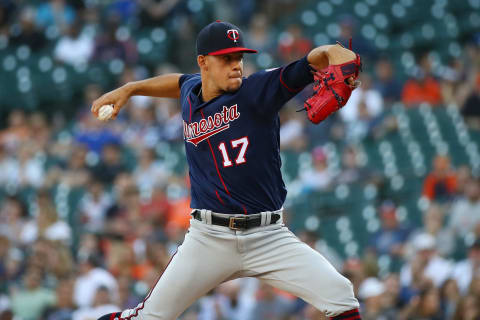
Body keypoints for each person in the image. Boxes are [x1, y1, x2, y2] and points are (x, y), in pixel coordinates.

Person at [92, 21, 361, 320]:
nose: (236, 66)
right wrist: (131, 89)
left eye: (239, 58)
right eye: (226, 58)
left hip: (268, 237)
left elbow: (311, 62)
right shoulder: (192, 91)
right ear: (203, 62)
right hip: (208, 238)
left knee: (341, 296)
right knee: (147, 318)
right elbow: (179, 82)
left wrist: (334, 52)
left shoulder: (257, 90)